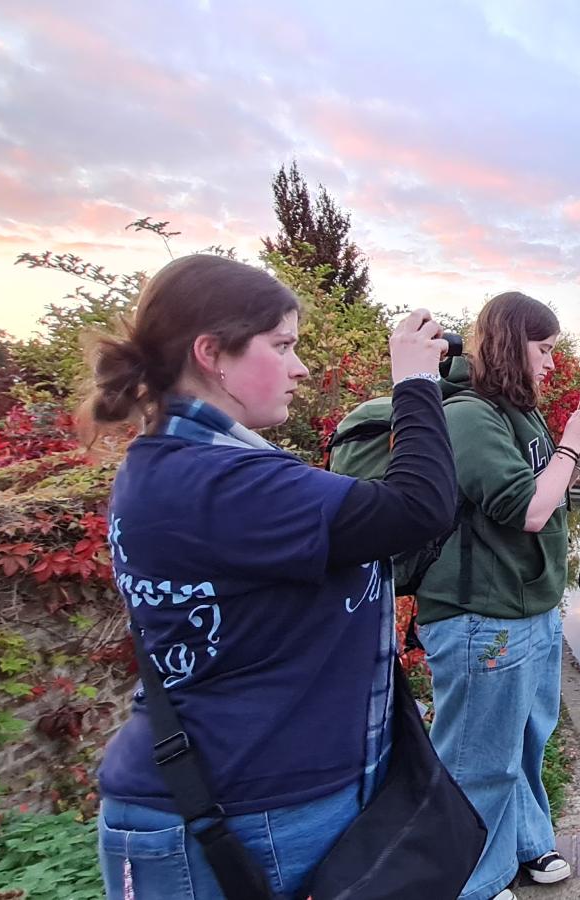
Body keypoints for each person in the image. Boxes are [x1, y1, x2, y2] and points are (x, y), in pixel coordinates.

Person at [87, 254, 459, 899]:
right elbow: (418, 508)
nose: (301, 367)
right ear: (213, 353)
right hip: (246, 809)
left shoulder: (185, 467)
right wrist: (417, 384)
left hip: (252, 796)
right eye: (282, 345)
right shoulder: (221, 482)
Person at [415, 291, 580, 900]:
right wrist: (572, 445)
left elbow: (548, 490)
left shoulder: (519, 413)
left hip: (532, 608)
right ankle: (473, 879)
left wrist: (571, 450)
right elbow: (526, 509)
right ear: (508, 343)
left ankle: (527, 842)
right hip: (482, 615)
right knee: (478, 757)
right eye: (543, 348)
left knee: (525, 739)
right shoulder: (469, 415)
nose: (551, 362)